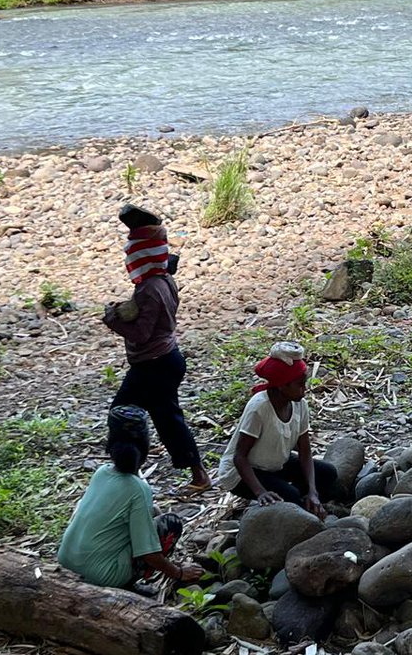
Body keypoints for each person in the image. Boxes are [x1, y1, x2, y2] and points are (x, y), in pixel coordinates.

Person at [102, 206, 211, 490]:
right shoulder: (164, 279)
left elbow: (140, 334)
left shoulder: (149, 288)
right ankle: (196, 474)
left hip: (153, 364)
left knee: (123, 413)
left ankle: (126, 473)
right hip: (166, 359)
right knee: (167, 418)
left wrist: (112, 319)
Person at [58, 405, 203, 591]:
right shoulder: (138, 488)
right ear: (145, 445)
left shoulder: (101, 473)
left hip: (66, 562)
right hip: (100, 576)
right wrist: (179, 572)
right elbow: (149, 554)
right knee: (171, 523)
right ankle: (126, 585)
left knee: (154, 513)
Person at [216, 342, 336, 518]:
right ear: (282, 386)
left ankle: (302, 500)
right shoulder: (259, 407)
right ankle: (291, 503)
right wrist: (260, 492)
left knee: (328, 474)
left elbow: (304, 451)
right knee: (291, 496)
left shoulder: (300, 404)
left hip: (276, 462)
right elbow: (239, 457)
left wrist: (312, 491)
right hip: (243, 471)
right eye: (300, 384)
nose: (305, 389)